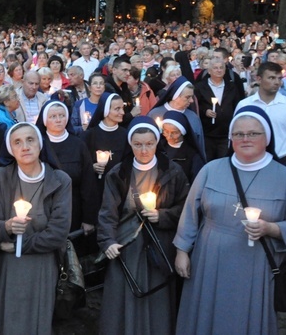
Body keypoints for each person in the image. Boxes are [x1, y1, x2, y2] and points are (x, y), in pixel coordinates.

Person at [174, 106, 286, 335]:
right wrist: (182, 251)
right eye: (238, 134)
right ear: (231, 138)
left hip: (255, 264)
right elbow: (190, 213)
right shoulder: (211, 169)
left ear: (267, 137)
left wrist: (272, 228)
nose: (245, 138)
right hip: (209, 260)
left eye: (253, 133)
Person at [0, 122, 72, 334]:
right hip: (4, 267)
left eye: (30, 140)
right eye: (17, 142)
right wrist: (7, 226)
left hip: (41, 265)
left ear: (40, 144)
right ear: (10, 149)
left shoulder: (60, 180)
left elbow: (58, 233)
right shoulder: (0, 177)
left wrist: (20, 245)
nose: (25, 146)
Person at [97, 117, 189, 335]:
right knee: (123, 297)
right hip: (126, 246)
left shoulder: (173, 171)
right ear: (130, 144)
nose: (144, 150)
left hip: (160, 247)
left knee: (158, 301)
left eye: (149, 143)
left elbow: (185, 209)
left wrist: (163, 216)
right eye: (138, 144)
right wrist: (107, 241)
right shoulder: (118, 173)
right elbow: (107, 212)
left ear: (157, 142)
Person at [35, 100, 97, 251]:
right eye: (53, 116)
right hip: (44, 211)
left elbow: (88, 184)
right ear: (45, 120)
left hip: (73, 209)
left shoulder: (78, 144)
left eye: (62, 116)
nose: (58, 120)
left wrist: (88, 218)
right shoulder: (38, 145)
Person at [236, 61, 286, 175]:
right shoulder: (244, 105)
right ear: (259, 79)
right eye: (271, 78)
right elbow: (235, 136)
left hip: (281, 161)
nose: (277, 82)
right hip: (250, 161)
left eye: (279, 78)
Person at [82, 92, 129, 213]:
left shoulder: (125, 134)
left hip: (119, 190)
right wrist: (92, 167)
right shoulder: (90, 135)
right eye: (117, 109)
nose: (122, 112)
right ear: (105, 110)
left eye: (122, 108)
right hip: (96, 190)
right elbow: (82, 163)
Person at [147, 76, 207, 162]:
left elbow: (200, 144)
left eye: (192, 97)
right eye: (187, 97)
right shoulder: (154, 114)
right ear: (176, 96)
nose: (191, 101)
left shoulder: (193, 117)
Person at [195, 59, 242, 160]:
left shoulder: (231, 87)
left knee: (223, 161)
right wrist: (205, 111)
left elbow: (237, 105)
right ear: (209, 71)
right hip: (207, 133)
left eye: (221, 68)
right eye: (215, 68)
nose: (219, 70)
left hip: (226, 133)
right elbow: (196, 105)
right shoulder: (200, 87)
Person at [160, 111, 206, 183]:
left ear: (182, 132)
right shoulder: (158, 148)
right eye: (166, 131)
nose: (169, 136)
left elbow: (196, 183)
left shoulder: (193, 156)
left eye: (174, 133)